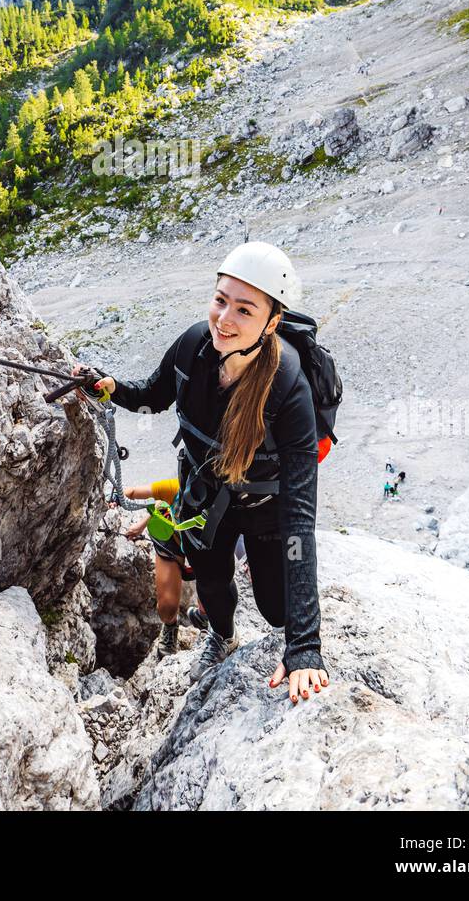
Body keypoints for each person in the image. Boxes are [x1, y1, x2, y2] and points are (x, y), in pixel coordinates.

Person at [80, 241, 329, 705]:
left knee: (277, 611)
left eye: (244, 310)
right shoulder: (195, 344)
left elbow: (299, 520)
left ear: (271, 323)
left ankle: (265, 584)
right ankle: (223, 635)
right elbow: (154, 394)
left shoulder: (289, 389)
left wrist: (304, 645)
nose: (225, 319)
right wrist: (110, 387)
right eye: (220, 300)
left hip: (265, 509)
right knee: (213, 584)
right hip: (206, 495)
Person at [121, 476, 208, 657]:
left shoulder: (225, 495)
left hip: (206, 545)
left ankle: (207, 618)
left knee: (212, 601)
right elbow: (133, 493)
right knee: (167, 605)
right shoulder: (176, 487)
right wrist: (114, 500)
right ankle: (170, 626)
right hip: (172, 538)